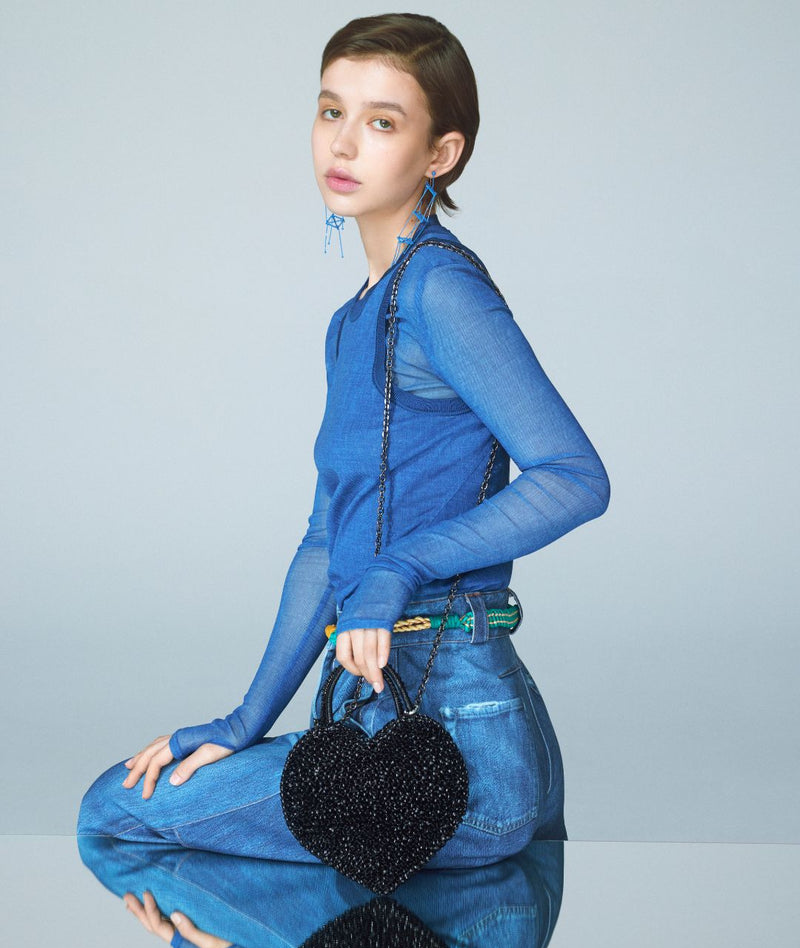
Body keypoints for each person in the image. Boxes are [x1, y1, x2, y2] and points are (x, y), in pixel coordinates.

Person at [77, 13, 610, 865]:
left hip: (455, 745)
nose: (345, 142)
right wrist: (244, 719)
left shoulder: (439, 291)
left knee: (116, 807)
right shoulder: (352, 321)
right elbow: (328, 539)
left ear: (441, 154)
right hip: (392, 725)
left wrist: (398, 567)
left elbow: (575, 477)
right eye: (332, 111)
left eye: (383, 121)